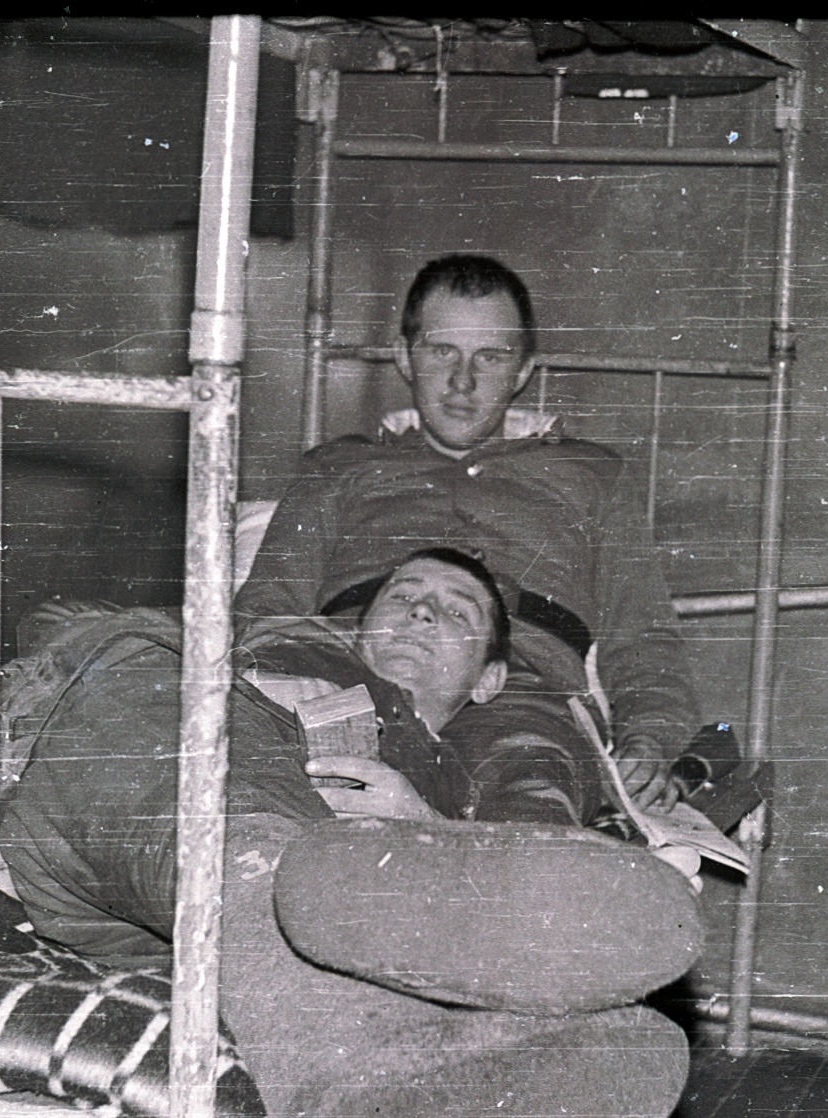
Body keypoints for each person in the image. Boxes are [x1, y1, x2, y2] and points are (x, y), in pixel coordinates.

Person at [0, 548, 696, 1116]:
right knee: (149, 679)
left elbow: (541, 823)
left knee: (320, 863)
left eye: (456, 612)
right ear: (360, 628)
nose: (420, 613)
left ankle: (438, 989)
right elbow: (53, 624)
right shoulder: (272, 647)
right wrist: (232, 683)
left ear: (489, 681)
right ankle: (344, 1057)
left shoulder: (457, 781)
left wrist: (420, 828)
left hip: (168, 915)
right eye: (403, 598)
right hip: (105, 806)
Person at [238, 253, 702, 812]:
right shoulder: (339, 469)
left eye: (491, 356)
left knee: (530, 795)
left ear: (523, 371)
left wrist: (649, 740)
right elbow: (267, 608)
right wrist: (276, 683)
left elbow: (644, 639)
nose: (463, 381)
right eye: (442, 352)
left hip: (522, 696)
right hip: (352, 672)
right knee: (268, 776)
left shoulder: (592, 477)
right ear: (405, 358)